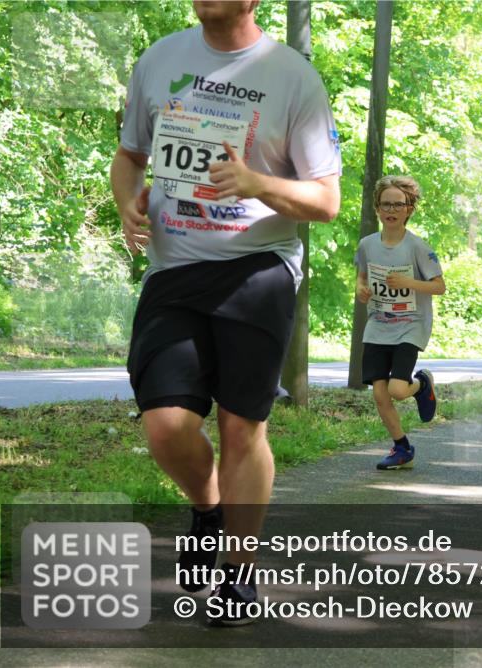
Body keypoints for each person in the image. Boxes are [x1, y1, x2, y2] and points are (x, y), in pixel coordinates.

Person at [113, 0, 342, 625]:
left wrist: (257, 183)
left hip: (258, 267)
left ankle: (240, 577)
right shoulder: (159, 60)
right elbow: (131, 155)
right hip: (175, 269)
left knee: (243, 426)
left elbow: (326, 200)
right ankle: (207, 507)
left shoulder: (292, 75)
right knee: (165, 424)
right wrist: (126, 202)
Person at [355, 176, 444, 470]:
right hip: (377, 325)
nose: (391, 209)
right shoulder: (367, 245)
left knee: (396, 389)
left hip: (410, 325)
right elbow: (361, 279)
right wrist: (362, 291)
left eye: (398, 204)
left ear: (409, 209)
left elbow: (439, 286)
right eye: (386, 204)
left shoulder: (418, 247)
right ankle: (402, 448)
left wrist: (408, 282)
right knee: (380, 394)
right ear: (377, 209)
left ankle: (420, 385)